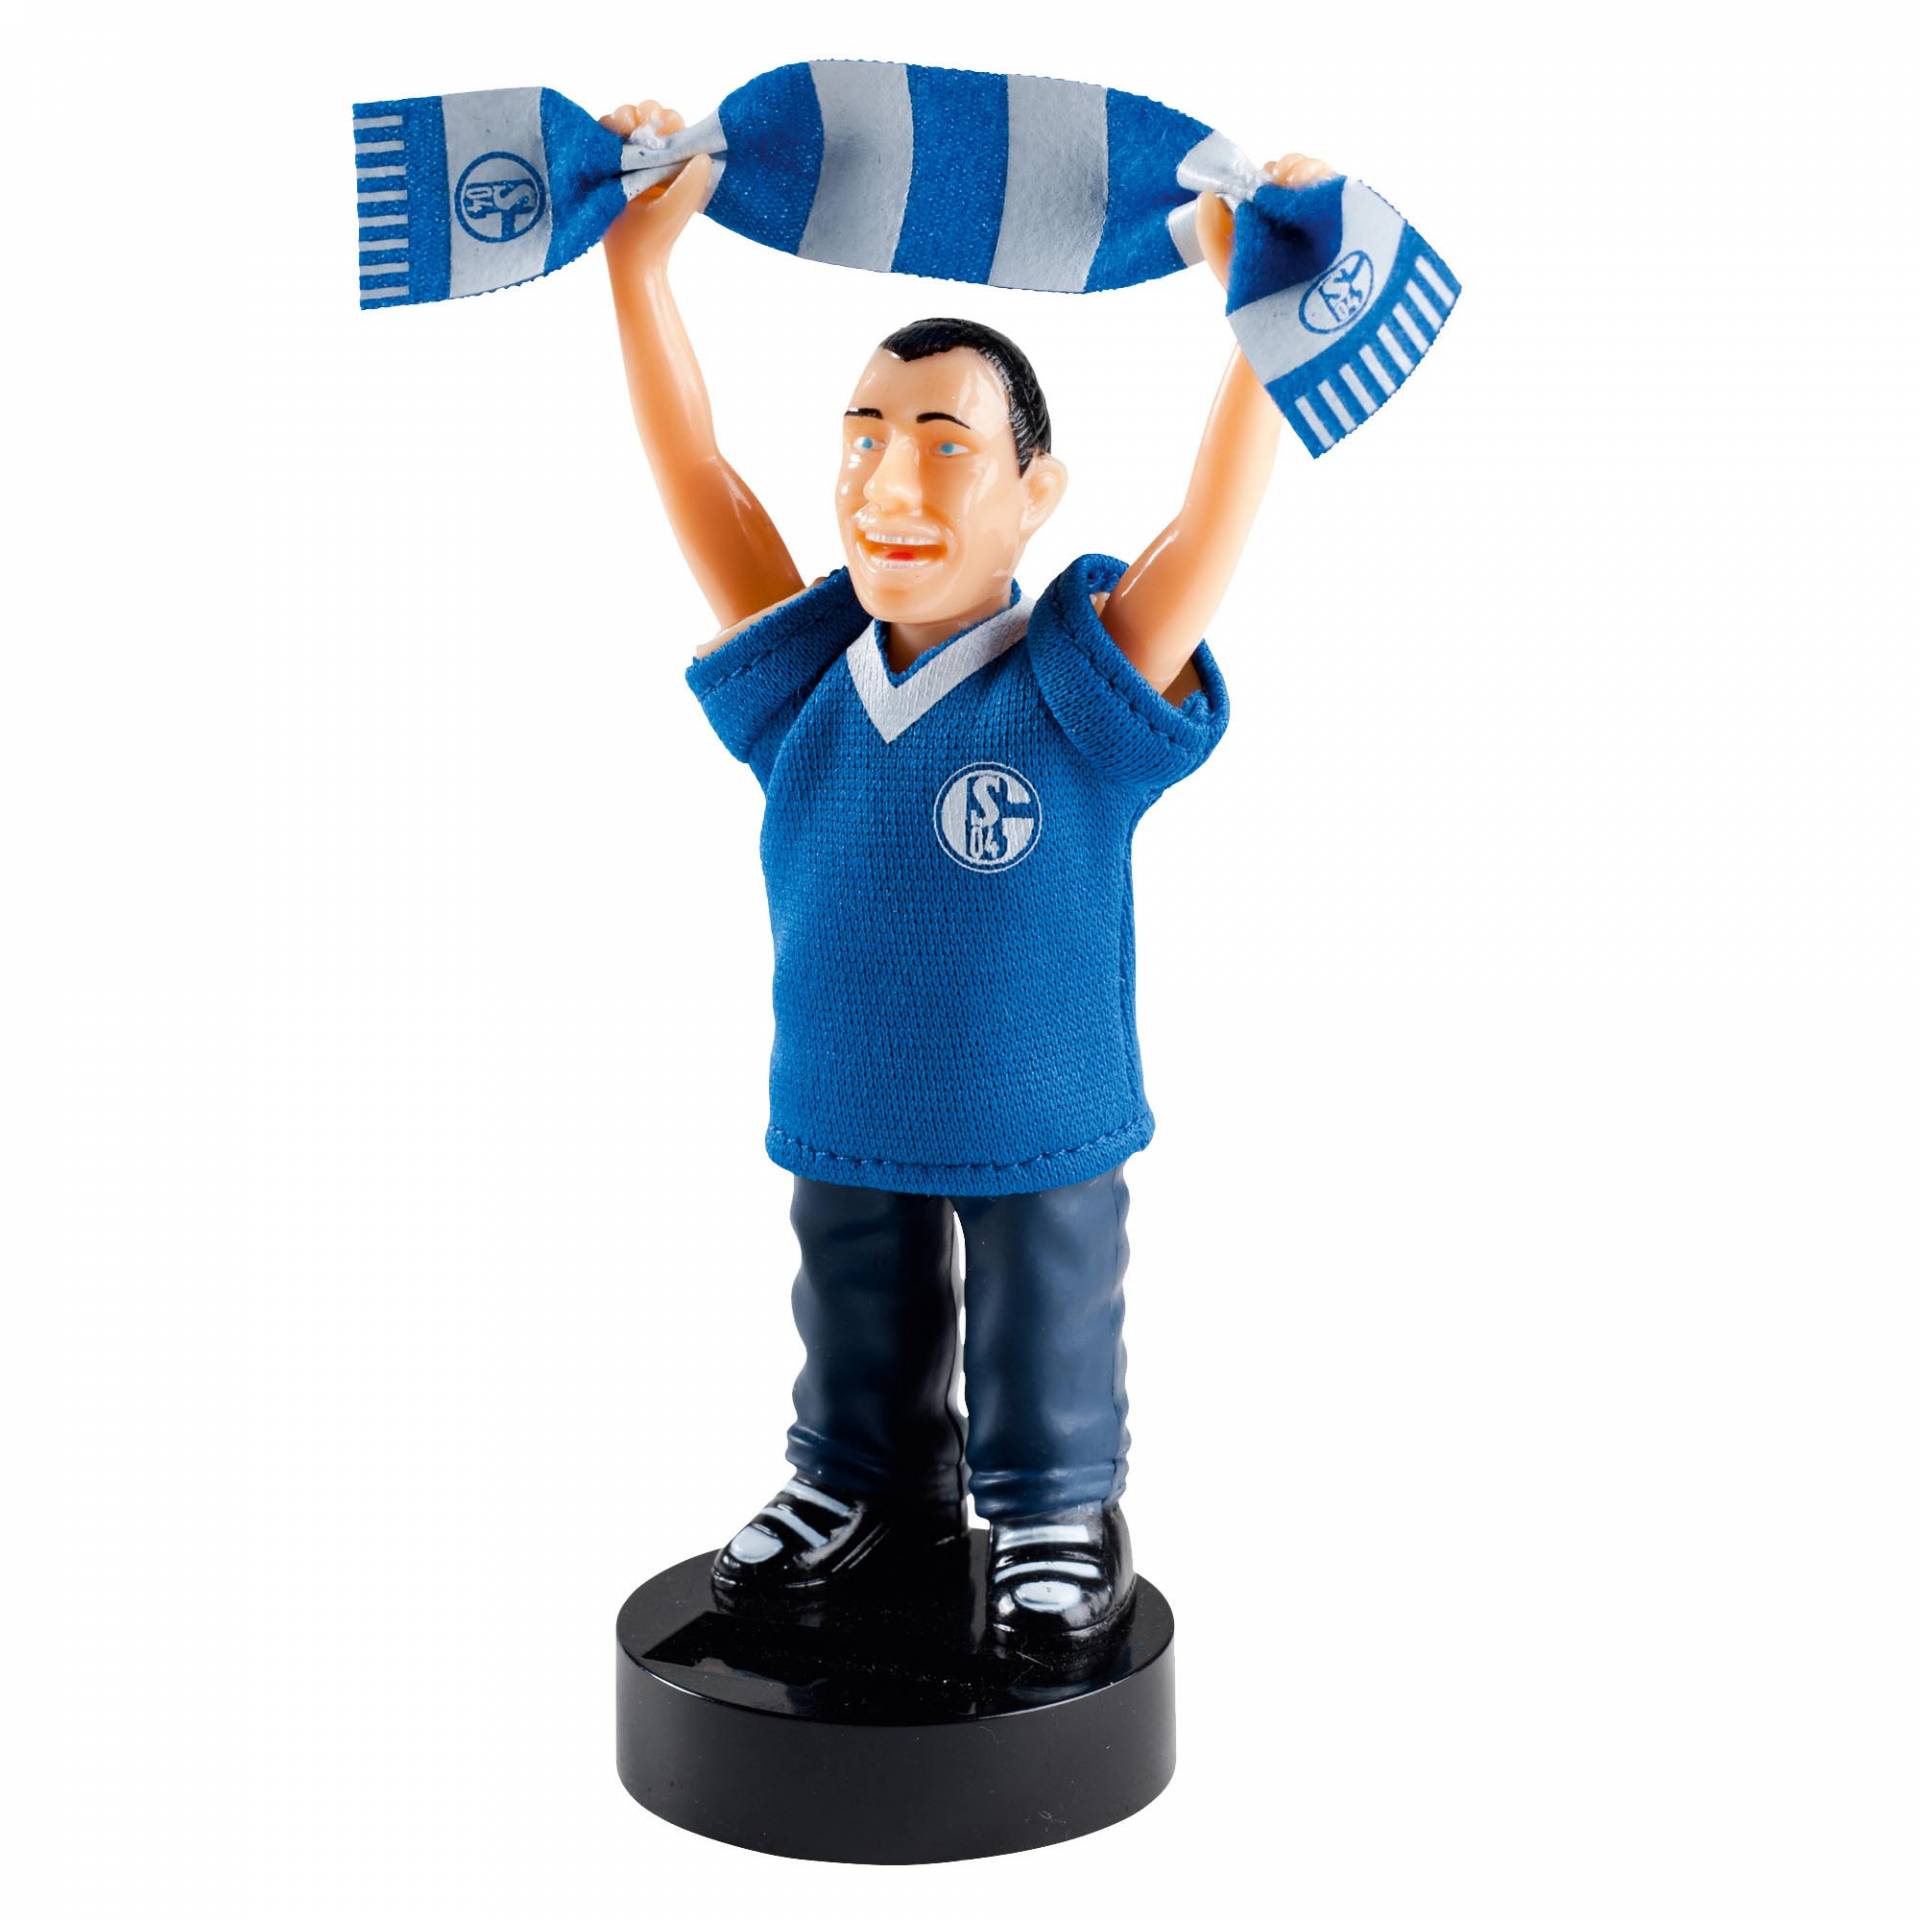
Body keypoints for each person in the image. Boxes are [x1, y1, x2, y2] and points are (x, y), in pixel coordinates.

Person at [601, 99, 1333, 1658]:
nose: (891, 488)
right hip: (847, 1087)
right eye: (864, 441)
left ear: (1035, 493)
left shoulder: (1080, 684)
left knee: (1043, 1303)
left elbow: (1206, 533)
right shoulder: (808, 679)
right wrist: (637, 275)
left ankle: (1056, 1502)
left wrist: (1252, 319)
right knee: (852, 1296)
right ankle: (859, 1478)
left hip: (1035, 1097)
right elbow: (700, 474)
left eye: (946, 449)